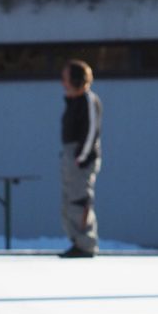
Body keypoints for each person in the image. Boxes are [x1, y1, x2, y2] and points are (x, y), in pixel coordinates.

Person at [59, 59, 103, 258]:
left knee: (80, 200)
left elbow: (92, 131)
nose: (63, 83)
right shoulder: (73, 101)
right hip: (70, 155)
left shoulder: (88, 100)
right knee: (68, 201)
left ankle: (86, 244)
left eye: (66, 78)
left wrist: (81, 157)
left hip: (81, 158)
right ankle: (76, 241)